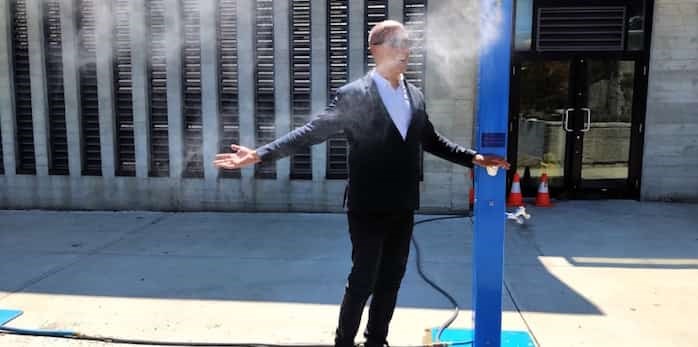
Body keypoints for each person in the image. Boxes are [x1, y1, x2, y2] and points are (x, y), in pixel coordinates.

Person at [213, 20, 509, 347]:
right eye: (396, 43)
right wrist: (259, 154)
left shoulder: (415, 95)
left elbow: (432, 140)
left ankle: (376, 340)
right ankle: (344, 342)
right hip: (367, 205)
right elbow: (310, 132)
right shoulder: (353, 95)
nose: (404, 50)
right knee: (363, 280)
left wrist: (474, 158)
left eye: (408, 43)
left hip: (403, 204)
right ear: (375, 49)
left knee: (391, 280)